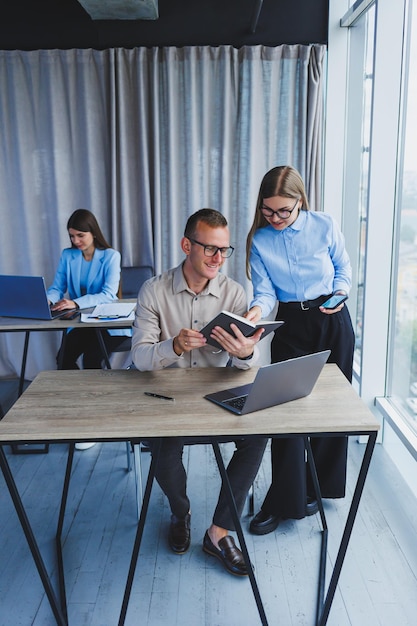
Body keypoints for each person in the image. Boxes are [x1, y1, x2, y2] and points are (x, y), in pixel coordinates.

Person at [131, 208, 267, 577]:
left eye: (225, 250)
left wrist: (245, 353)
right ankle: (181, 512)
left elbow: (247, 367)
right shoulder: (153, 290)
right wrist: (172, 347)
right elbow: (140, 358)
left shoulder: (235, 293)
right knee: (161, 446)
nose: (218, 259)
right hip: (167, 399)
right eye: (209, 249)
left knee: (258, 437)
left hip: (215, 397)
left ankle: (219, 532)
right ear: (186, 245)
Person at [245, 165, 355, 535]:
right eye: (268, 210)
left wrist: (340, 294)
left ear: (299, 202)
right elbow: (264, 292)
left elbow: (343, 268)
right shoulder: (259, 240)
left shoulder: (324, 224)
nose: (275, 218)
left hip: (332, 319)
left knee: (331, 408)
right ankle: (284, 499)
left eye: (283, 211)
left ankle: (317, 488)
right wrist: (255, 311)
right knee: (285, 410)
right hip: (291, 324)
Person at [47, 209, 130, 450]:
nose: (75, 241)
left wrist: (75, 302)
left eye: (80, 235)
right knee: (63, 359)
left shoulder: (111, 256)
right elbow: (57, 286)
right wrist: (49, 299)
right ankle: (79, 408)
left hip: (109, 323)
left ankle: (94, 422)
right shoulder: (68, 255)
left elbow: (108, 294)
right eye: (72, 236)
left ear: (93, 233)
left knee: (93, 359)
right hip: (81, 323)